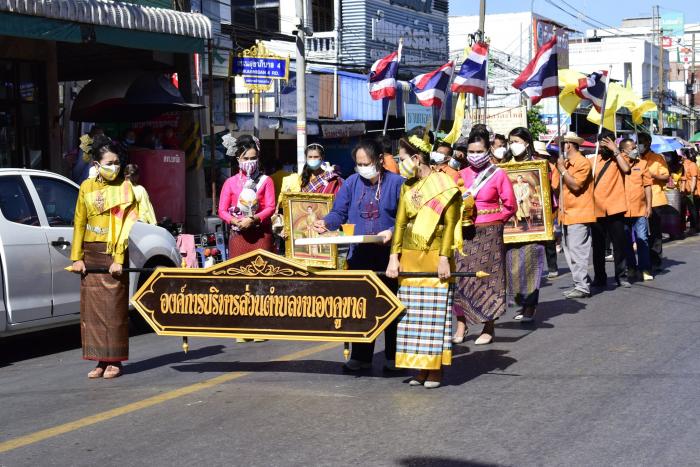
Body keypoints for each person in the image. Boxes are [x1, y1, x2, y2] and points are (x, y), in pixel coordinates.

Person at [313, 139, 403, 371]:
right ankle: (361, 356)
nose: (364, 167)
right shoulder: (352, 183)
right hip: (359, 254)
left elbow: (407, 220)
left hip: (388, 255)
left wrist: (392, 232)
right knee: (361, 305)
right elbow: (339, 213)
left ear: (380, 161)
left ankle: (394, 357)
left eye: (368, 163)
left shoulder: (397, 183)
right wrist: (325, 223)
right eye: (359, 163)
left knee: (392, 306)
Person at [385, 126, 461, 388]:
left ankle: (435, 369)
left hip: (435, 255)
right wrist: (394, 257)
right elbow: (399, 223)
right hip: (410, 256)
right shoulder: (408, 186)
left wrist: (443, 258)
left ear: (417, 158)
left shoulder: (445, 185)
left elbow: (451, 225)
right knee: (412, 317)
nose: (399, 163)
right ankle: (418, 367)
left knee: (434, 315)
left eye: (402, 158)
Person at [70, 135, 139, 379]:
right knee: (93, 311)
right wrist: (77, 257)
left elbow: (123, 226)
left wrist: (118, 259)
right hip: (90, 253)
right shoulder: (86, 187)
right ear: (96, 165)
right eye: (108, 162)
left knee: (114, 310)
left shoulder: (124, 187)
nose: (114, 167)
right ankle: (99, 360)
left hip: (113, 252)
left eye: (116, 162)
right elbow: (79, 222)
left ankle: (115, 361)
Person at [452, 129, 516, 345]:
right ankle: (462, 322)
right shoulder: (461, 174)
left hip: (489, 234)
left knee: (489, 279)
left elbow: (510, 205)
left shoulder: (498, 174)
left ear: (487, 151)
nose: (475, 154)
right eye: (471, 151)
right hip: (464, 233)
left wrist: (496, 222)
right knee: (461, 278)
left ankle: (489, 325)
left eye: (479, 150)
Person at [502, 128, 550, 323]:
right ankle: (522, 302)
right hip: (509, 227)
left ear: (527, 143)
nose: (513, 145)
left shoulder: (540, 165)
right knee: (513, 266)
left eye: (517, 141)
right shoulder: (503, 167)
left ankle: (530, 306)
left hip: (534, 226)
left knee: (530, 266)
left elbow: (547, 193)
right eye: (510, 141)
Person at [218, 134, 276, 258]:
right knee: (238, 274)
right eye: (246, 158)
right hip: (238, 235)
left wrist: (252, 219)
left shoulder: (266, 181)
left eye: (253, 158)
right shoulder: (230, 182)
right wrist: (235, 221)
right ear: (238, 158)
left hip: (261, 234)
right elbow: (222, 211)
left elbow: (271, 207)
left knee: (263, 273)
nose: (250, 162)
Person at [556, 132, 595, 299]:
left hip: (579, 213)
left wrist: (563, 170)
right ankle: (580, 282)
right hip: (566, 214)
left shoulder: (582, 163)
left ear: (569, 145)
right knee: (570, 252)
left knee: (578, 252)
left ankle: (582, 287)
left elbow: (576, 186)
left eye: (561, 145)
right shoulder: (565, 163)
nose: (560, 148)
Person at [591, 130, 631, 289]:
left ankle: (621, 276)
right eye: (602, 144)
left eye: (607, 143)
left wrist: (615, 150)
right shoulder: (593, 161)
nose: (604, 148)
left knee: (619, 246)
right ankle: (599, 278)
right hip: (597, 209)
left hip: (616, 208)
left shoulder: (620, 159)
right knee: (598, 248)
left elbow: (626, 169)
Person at [618, 138, 653, 281]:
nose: (635, 149)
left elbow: (647, 186)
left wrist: (649, 206)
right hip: (623, 210)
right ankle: (631, 267)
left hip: (640, 209)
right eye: (632, 147)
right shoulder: (617, 165)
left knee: (642, 239)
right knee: (626, 241)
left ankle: (645, 269)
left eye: (635, 147)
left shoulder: (642, 164)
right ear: (623, 151)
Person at [638, 133, 669, 272]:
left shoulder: (658, 158)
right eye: (638, 142)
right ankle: (643, 261)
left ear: (649, 143)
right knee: (642, 233)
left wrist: (652, 174)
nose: (640, 144)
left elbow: (666, 176)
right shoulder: (635, 158)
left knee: (655, 232)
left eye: (642, 142)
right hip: (639, 200)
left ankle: (656, 260)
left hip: (655, 199)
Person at [534, 140, 560, 279]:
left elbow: (556, 187)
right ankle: (535, 270)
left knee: (549, 238)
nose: (539, 158)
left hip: (548, 206)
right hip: (531, 207)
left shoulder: (552, 168)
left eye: (542, 155)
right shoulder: (527, 166)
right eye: (537, 155)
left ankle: (552, 267)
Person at [279, 143, 343, 199]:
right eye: (310, 157)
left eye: (316, 157)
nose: (313, 159)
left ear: (322, 158)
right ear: (306, 158)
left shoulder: (331, 179)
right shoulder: (301, 178)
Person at [680, 148, 698, 234]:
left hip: (691, 190)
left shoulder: (692, 165)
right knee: (690, 209)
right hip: (686, 190)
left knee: (693, 209)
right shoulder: (684, 164)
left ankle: (694, 227)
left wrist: (691, 190)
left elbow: (694, 178)